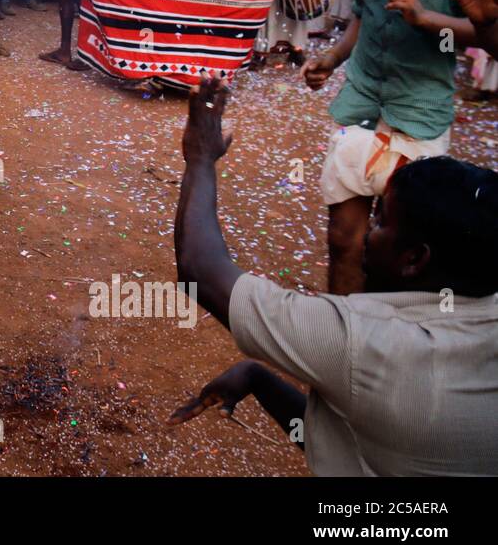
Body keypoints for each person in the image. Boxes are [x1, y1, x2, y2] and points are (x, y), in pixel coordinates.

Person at [169, 76, 498, 476]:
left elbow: (199, 271)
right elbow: (357, 445)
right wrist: (259, 379)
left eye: (380, 221)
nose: (367, 233)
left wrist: (200, 157)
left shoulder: (366, 340)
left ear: (413, 259)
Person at [299, 0, 490, 294]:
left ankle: (386, 346)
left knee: (403, 253)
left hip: (418, 117)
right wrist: (332, 59)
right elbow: (363, 18)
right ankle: (345, 342)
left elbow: (483, 39)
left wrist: (424, 18)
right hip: (361, 108)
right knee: (344, 240)